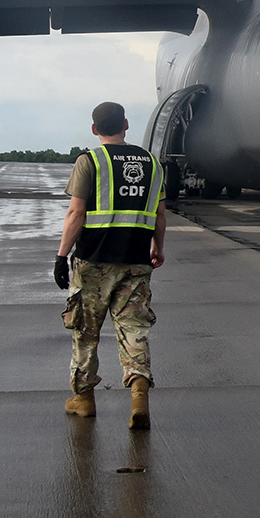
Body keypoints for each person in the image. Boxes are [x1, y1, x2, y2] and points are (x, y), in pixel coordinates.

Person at [55, 101, 166, 429]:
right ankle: (139, 392)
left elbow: (76, 213)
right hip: (136, 260)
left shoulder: (89, 161)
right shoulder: (152, 163)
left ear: (94, 129)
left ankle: (84, 399)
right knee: (134, 329)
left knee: (86, 332)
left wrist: (61, 256)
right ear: (126, 124)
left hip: (94, 262)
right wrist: (157, 247)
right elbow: (160, 214)